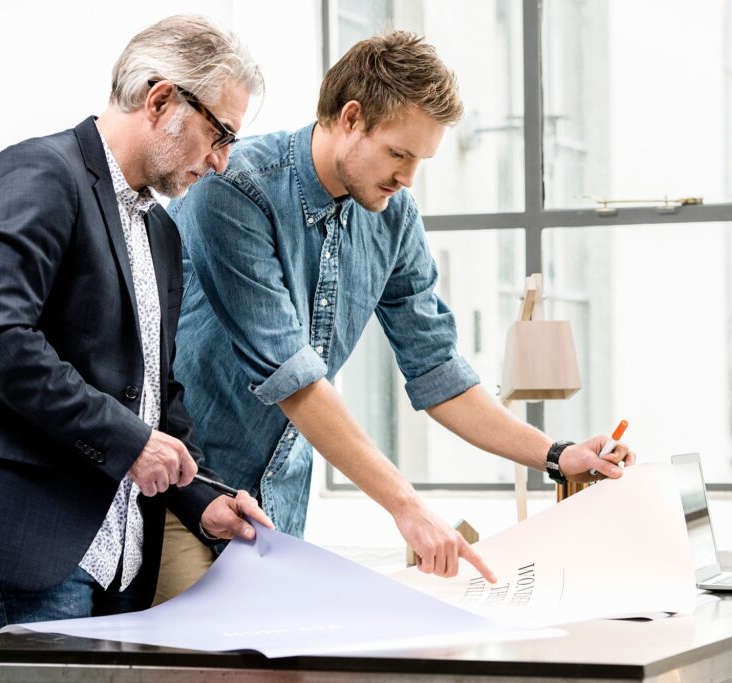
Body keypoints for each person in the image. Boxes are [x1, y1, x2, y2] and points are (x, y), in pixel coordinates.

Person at [158, 30, 635, 602]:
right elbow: (292, 380)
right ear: (352, 118)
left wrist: (557, 456)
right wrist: (407, 508)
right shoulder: (234, 189)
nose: (408, 178)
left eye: (420, 160)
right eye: (399, 154)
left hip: (275, 515)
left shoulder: (392, 214)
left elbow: (437, 371)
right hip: (187, 495)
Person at [0, 15, 272, 637]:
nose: (221, 161)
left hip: (122, 551)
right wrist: (130, 442)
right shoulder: (37, 173)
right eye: (220, 134)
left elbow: (157, 391)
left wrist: (200, 498)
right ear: (160, 100)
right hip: (29, 538)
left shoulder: (160, 230)